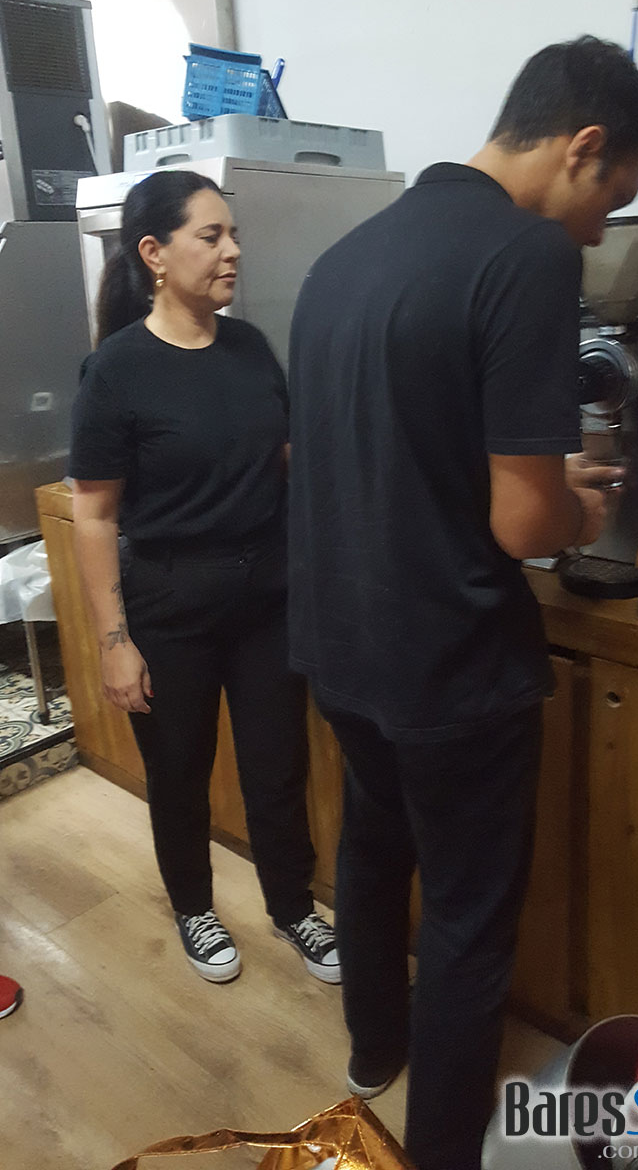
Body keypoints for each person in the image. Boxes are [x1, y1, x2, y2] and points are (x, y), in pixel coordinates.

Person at [287, 36, 638, 1169]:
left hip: (338, 643)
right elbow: (520, 526)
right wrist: (575, 508)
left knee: (370, 843)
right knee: (465, 915)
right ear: (582, 147)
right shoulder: (527, 254)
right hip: (449, 661)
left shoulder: (347, 256)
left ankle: (372, 1051)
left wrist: (541, 479)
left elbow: (379, 452)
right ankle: (442, 1151)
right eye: (613, 201)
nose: (597, 233)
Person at [70, 170, 339, 986]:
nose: (233, 252)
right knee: (180, 774)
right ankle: (193, 905)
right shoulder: (116, 369)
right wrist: (114, 642)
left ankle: (293, 906)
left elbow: (291, 463)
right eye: (212, 236)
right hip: (170, 604)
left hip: (267, 601)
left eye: (234, 235)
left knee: (277, 767)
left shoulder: (250, 348)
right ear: (154, 254)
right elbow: (94, 516)